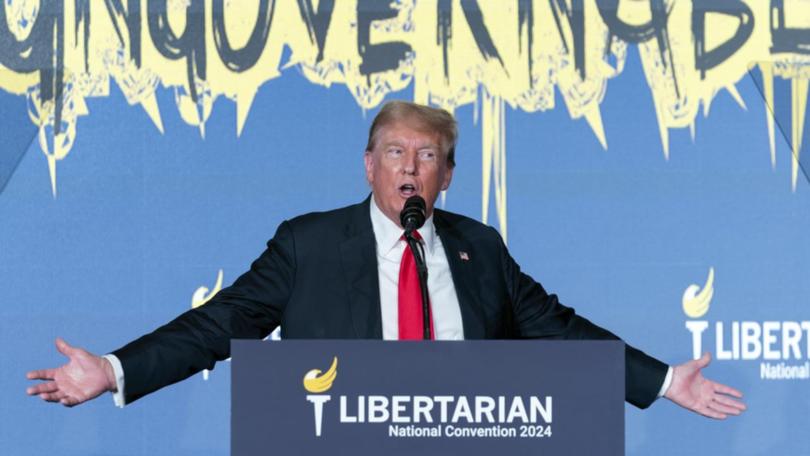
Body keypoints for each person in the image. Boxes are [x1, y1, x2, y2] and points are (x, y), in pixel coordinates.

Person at [27, 101, 745, 419]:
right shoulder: (306, 245)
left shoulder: (480, 250)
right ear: (368, 166)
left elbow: (558, 329)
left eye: (427, 156)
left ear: (447, 176)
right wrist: (114, 370)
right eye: (396, 152)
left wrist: (662, 380)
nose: (411, 167)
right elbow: (220, 323)